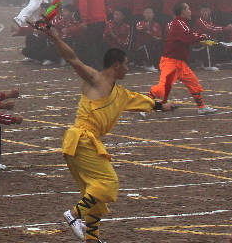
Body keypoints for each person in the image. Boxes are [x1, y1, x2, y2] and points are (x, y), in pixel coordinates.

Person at [38, 20, 177, 242]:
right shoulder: (95, 80)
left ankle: (92, 238)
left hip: (83, 143)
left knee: (95, 194)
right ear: (116, 66)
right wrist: (54, 37)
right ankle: (73, 214)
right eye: (126, 64)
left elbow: (140, 101)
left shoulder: (120, 93)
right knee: (108, 183)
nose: (128, 68)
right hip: (82, 140)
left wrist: (163, 106)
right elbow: (72, 59)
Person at [149, 2, 218, 115]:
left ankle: (202, 107)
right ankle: (144, 104)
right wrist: (202, 36)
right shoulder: (179, 23)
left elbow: (188, 36)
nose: (190, 11)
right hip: (170, 62)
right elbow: (189, 37)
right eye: (188, 9)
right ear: (182, 12)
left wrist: (201, 39)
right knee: (162, 88)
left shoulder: (182, 23)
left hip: (179, 63)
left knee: (194, 84)